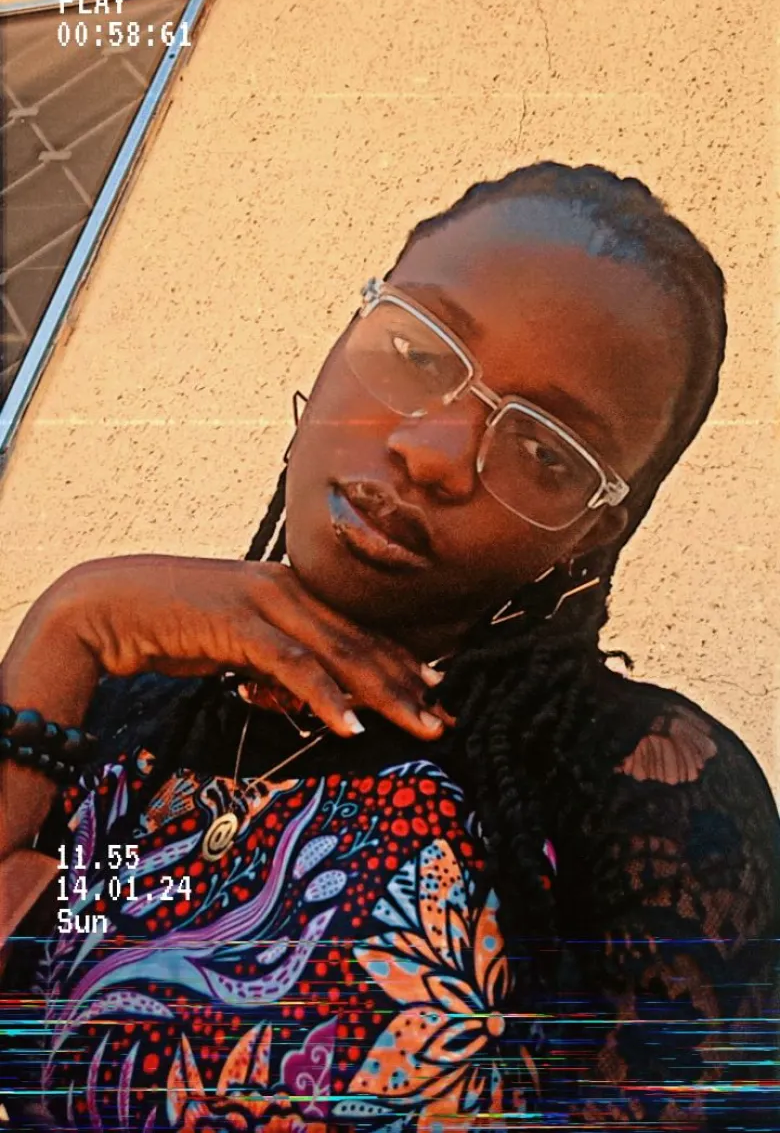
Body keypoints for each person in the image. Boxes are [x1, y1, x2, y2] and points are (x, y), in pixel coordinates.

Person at [0, 161, 778, 1132]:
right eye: (417, 350)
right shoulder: (114, 699)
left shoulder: (641, 792)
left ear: (589, 531)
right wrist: (71, 622)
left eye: (545, 450)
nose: (433, 451)